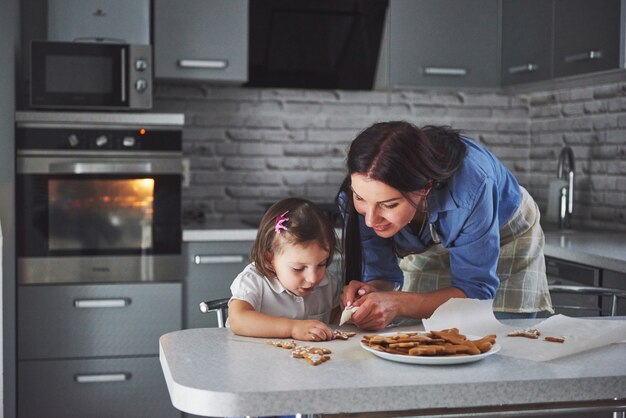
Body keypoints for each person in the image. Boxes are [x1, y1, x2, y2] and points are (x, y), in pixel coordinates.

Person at [337, 121, 553, 330]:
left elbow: (475, 292)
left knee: (496, 333)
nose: (370, 220)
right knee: (418, 330)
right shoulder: (359, 195)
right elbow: (383, 275)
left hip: (504, 236)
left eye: (389, 204)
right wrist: (372, 292)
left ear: (425, 188)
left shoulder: (471, 186)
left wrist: (398, 302)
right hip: (435, 239)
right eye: (360, 198)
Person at [228, 197, 341, 341]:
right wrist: (293, 328)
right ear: (269, 259)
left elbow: (335, 322)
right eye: (298, 268)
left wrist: (353, 313)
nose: (313, 278)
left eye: (321, 264)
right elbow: (238, 320)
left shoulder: (328, 284)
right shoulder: (254, 281)